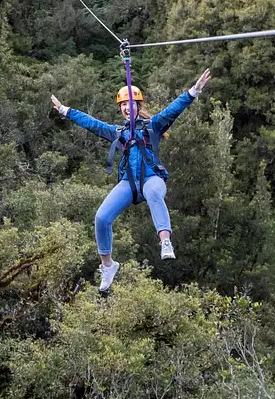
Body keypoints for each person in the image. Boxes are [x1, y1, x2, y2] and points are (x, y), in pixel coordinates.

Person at [51, 69, 211, 295]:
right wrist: (66, 111)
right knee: (101, 218)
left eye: (131, 103)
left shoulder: (154, 125)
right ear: (121, 109)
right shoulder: (119, 132)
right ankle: (107, 265)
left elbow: (173, 110)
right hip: (129, 183)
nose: (127, 107)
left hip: (152, 179)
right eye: (123, 105)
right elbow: (93, 124)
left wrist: (193, 92)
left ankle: (165, 240)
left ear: (139, 106)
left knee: (154, 194)